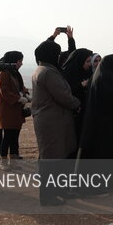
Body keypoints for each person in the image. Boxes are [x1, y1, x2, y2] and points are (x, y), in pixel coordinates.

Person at [31, 40, 81, 206]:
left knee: (56, 157)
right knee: (51, 160)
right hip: (52, 121)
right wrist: (77, 104)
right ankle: (48, 196)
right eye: (57, 53)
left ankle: (57, 190)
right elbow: (63, 95)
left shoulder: (42, 69)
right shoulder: (49, 72)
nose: (59, 56)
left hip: (52, 120)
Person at [78, 54, 113, 184]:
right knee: (102, 152)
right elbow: (109, 99)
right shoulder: (105, 77)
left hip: (98, 120)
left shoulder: (99, 75)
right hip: (103, 122)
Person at [0, 51, 30, 171]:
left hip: (15, 110)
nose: (21, 63)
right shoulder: (4, 73)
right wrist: (19, 98)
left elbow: (20, 87)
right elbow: (5, 91)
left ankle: (14, 161)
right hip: (7, 110)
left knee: (15, 136)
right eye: (19, 61)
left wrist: (25, 94)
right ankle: (4, 161)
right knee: (8, 137)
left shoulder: (15, 73)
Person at [61, 48, 93, 146]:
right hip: (71, 114)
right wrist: (81, 85)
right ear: (80, 61)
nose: (90, 64)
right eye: (87, 61)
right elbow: (64, 93)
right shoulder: (68, 73)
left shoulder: (87, 72)